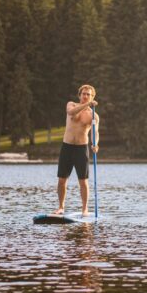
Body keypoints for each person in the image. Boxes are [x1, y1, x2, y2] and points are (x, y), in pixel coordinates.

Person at [53, 84, 100, 216]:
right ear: (79, 95)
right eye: (83, 94)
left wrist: (95, 144)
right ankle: (61, 207)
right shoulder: (71, 105)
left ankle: (84, 209)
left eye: (88, 94)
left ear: (92, 96)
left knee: (83, 181)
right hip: (67, 147)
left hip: (81, 149)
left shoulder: (93, 116)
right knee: (62, 180)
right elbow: (71, 113)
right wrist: (88, 104)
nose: (85, 96)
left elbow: (95, 132)